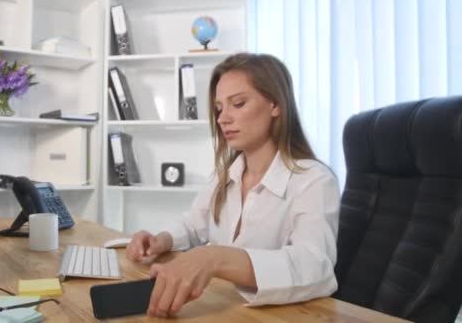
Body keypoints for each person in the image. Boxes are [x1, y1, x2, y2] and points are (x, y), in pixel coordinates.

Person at [126, 53, 340, 317]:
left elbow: (316, 267)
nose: (222, 118)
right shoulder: (224, 175)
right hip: (222, 308)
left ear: (276, 105)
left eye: (238, 103)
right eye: (219, 108)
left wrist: (215, 258)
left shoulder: (314, 180)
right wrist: (162, 240)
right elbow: (193, 224)